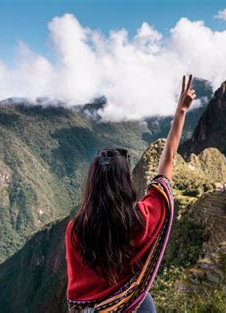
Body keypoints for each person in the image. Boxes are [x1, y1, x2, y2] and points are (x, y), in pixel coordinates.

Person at [65, 75, 195, 313]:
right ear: (125, 184)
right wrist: (181, 113)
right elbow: (167, 166)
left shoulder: (75, 230)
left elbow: (77, 288)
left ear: (91, 184)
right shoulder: (141, 220)